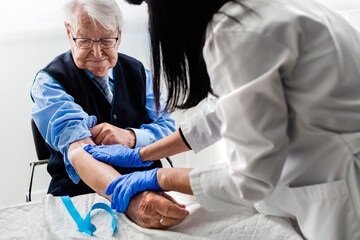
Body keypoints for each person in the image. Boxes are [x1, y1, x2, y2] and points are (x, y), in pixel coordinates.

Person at [84, 0, 360, 239]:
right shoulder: (258, 12)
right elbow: (224, 111)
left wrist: (159, 176)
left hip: (342, 194)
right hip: (325, 176)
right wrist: (143, 154)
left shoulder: (237, 31)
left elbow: (249, 179)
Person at [30, 0, 189, 229]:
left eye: (106, 39)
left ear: (119, 35)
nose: (97, 52)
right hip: (81, 199)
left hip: (151, 190)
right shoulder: (50, 83)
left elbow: (167, 128)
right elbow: (80, 150)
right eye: (84, 40)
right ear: (69, 32)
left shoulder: (140, 73)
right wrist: (129, 198)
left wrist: (132, 137)